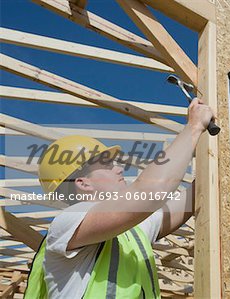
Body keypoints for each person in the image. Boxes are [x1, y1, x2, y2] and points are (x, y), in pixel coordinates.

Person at [25, 98, 215, 299]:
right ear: (83, 183)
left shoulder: (133, 233)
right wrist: (194, 126)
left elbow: (191, 197)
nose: (119, 168)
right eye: (107, 165)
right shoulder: (68, 221)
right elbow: (152, 192)